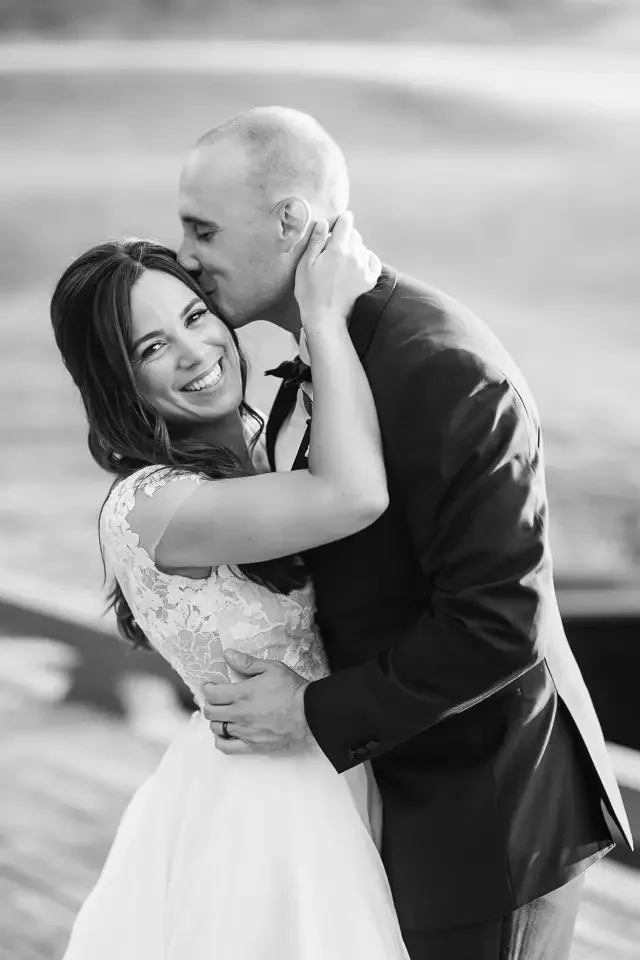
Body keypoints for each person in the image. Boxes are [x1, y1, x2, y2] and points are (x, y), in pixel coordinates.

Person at [177, 106, 633, 960]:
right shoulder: (330, 344)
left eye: (203, 228)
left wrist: (312, 712)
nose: (187, 255)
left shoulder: (438, 368)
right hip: (392, 796)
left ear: (291, 222)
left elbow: (500, 621)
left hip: (485, 822)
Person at [51, 222, 412, 959]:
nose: (195, 354)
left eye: (193, 316)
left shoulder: (254, 441)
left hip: (339, 765)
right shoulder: (155, 506)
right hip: (271, 810)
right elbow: (351, 495)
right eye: (150, 349)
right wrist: (321, 317)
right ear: (115, 381)